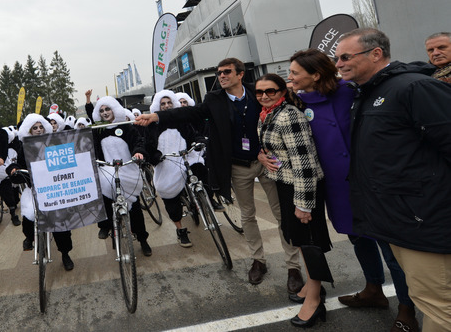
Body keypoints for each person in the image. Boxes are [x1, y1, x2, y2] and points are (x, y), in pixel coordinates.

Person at [136, 58, 303, 292]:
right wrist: (156, 117)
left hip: (268, 163)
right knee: (248, 216)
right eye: (219, 73)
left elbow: (282, 110)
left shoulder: (259, 92)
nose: (221, 76)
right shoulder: (213, 99)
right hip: (237, 167)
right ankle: (259, 260)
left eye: (227, 72)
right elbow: (189, 113)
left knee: (281, 214)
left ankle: (293, 266)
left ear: (240, 74)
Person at [289, 48, 420, 332]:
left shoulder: (353, 91)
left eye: (295, 73)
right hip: (337, 186)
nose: (290, 78)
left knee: (390, 246)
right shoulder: (296, 103)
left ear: (315, 74)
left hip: (373, 182)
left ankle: (407, 307)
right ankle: (373, 289)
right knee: (358, 238)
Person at [335, 28, 451, 332]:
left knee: (440, 307)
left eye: (346, 57)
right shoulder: (368, 93)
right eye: (336, 58)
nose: (339, 64)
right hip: (397, 221)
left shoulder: (414, 88)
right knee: (426, 299)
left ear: (376, 54)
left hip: (424, 223)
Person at [255, 73, 329, 328]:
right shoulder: (268, 113)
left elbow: (306, 164)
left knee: (309, 242)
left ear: (282, 92)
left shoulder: (289, 116)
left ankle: (316, 299)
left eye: (270, 91)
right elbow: (272, 147)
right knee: (298, 239)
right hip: (285, 184)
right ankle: (311, 284)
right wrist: (262, 156)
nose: (264, 96)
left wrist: (304, 204)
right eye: (259, 92)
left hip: (302, 187)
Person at [7, 113, 75, 270]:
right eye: (34, 128)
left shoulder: (55, 143)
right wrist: (14, 169)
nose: (38, 130)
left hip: (55, 188)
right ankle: (30, 237)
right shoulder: (23, 147)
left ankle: (65, 253)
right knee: (30, 214)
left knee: (60, 219)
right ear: (29, 130)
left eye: (40, 127)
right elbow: (18, 165)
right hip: (34, 189)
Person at [86, 94, 152, 257]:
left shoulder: (127, 126)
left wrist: (138, 153)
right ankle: (106, 226)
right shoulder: (98, 129)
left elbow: (137, 142)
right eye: (101, 110)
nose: (105, 112)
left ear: (114, 109)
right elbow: (92, 147)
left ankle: (143, 239)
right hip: (107, 169)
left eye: (108, 109)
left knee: (135, 208)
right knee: (104, 196)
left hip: (128, 169)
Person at [145, 90, 201, 247]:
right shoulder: (153, 125)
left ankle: (205, 201)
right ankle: (180, 229)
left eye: (169, 102)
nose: (167, 106)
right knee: (170, 196)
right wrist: (155, 156)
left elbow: (193, 135)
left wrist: (198, 141)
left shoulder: (182, 119)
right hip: (166, 165)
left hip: (185, 158)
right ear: (158, 106)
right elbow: (149, 145)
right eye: (163, 104)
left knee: (201, 171)